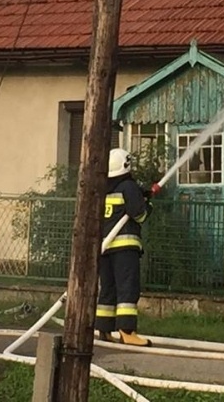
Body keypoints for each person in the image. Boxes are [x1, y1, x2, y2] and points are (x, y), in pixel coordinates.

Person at [94, 148, 153, 347]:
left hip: (104, 248)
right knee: (127, 289)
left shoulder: (103, 189)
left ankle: (104, 329)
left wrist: (142, 195)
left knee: (107, 289)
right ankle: (127, 331)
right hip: (125, 248)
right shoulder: (128, 186)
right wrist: (148, 206)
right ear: (126, 165)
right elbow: (140, 215)